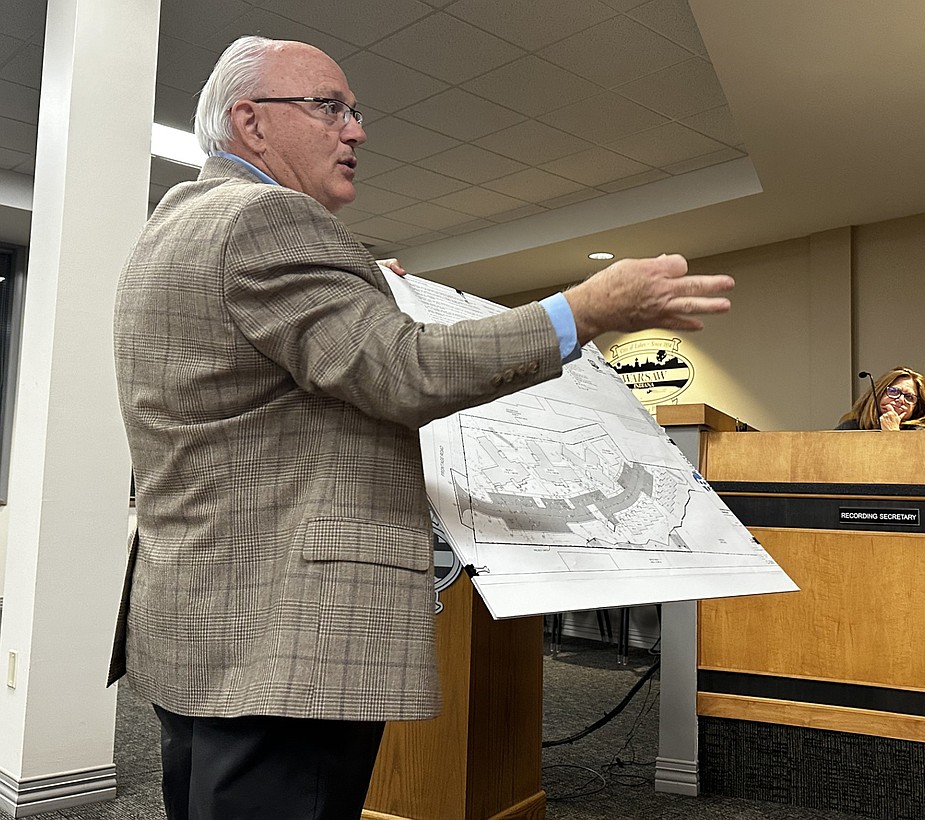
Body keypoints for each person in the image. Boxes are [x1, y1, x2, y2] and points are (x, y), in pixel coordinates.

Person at [109, 35, 734, 820]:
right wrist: (586, 310)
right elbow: (403, 371)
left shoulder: (175, 226)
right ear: (251, 122)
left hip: (204, 619)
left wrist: (372, 294)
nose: (357, 129)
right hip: (286, 637)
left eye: (355, 111)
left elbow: (291, 386)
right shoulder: (267, 218)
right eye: (328, 106)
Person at [835, 366, 925, 430]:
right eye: (893, 391)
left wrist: (892, 434)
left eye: (909, 397)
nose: (900, 400)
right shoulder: (851, 427)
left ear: (917, 407)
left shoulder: (923, 431)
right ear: (879, 393)